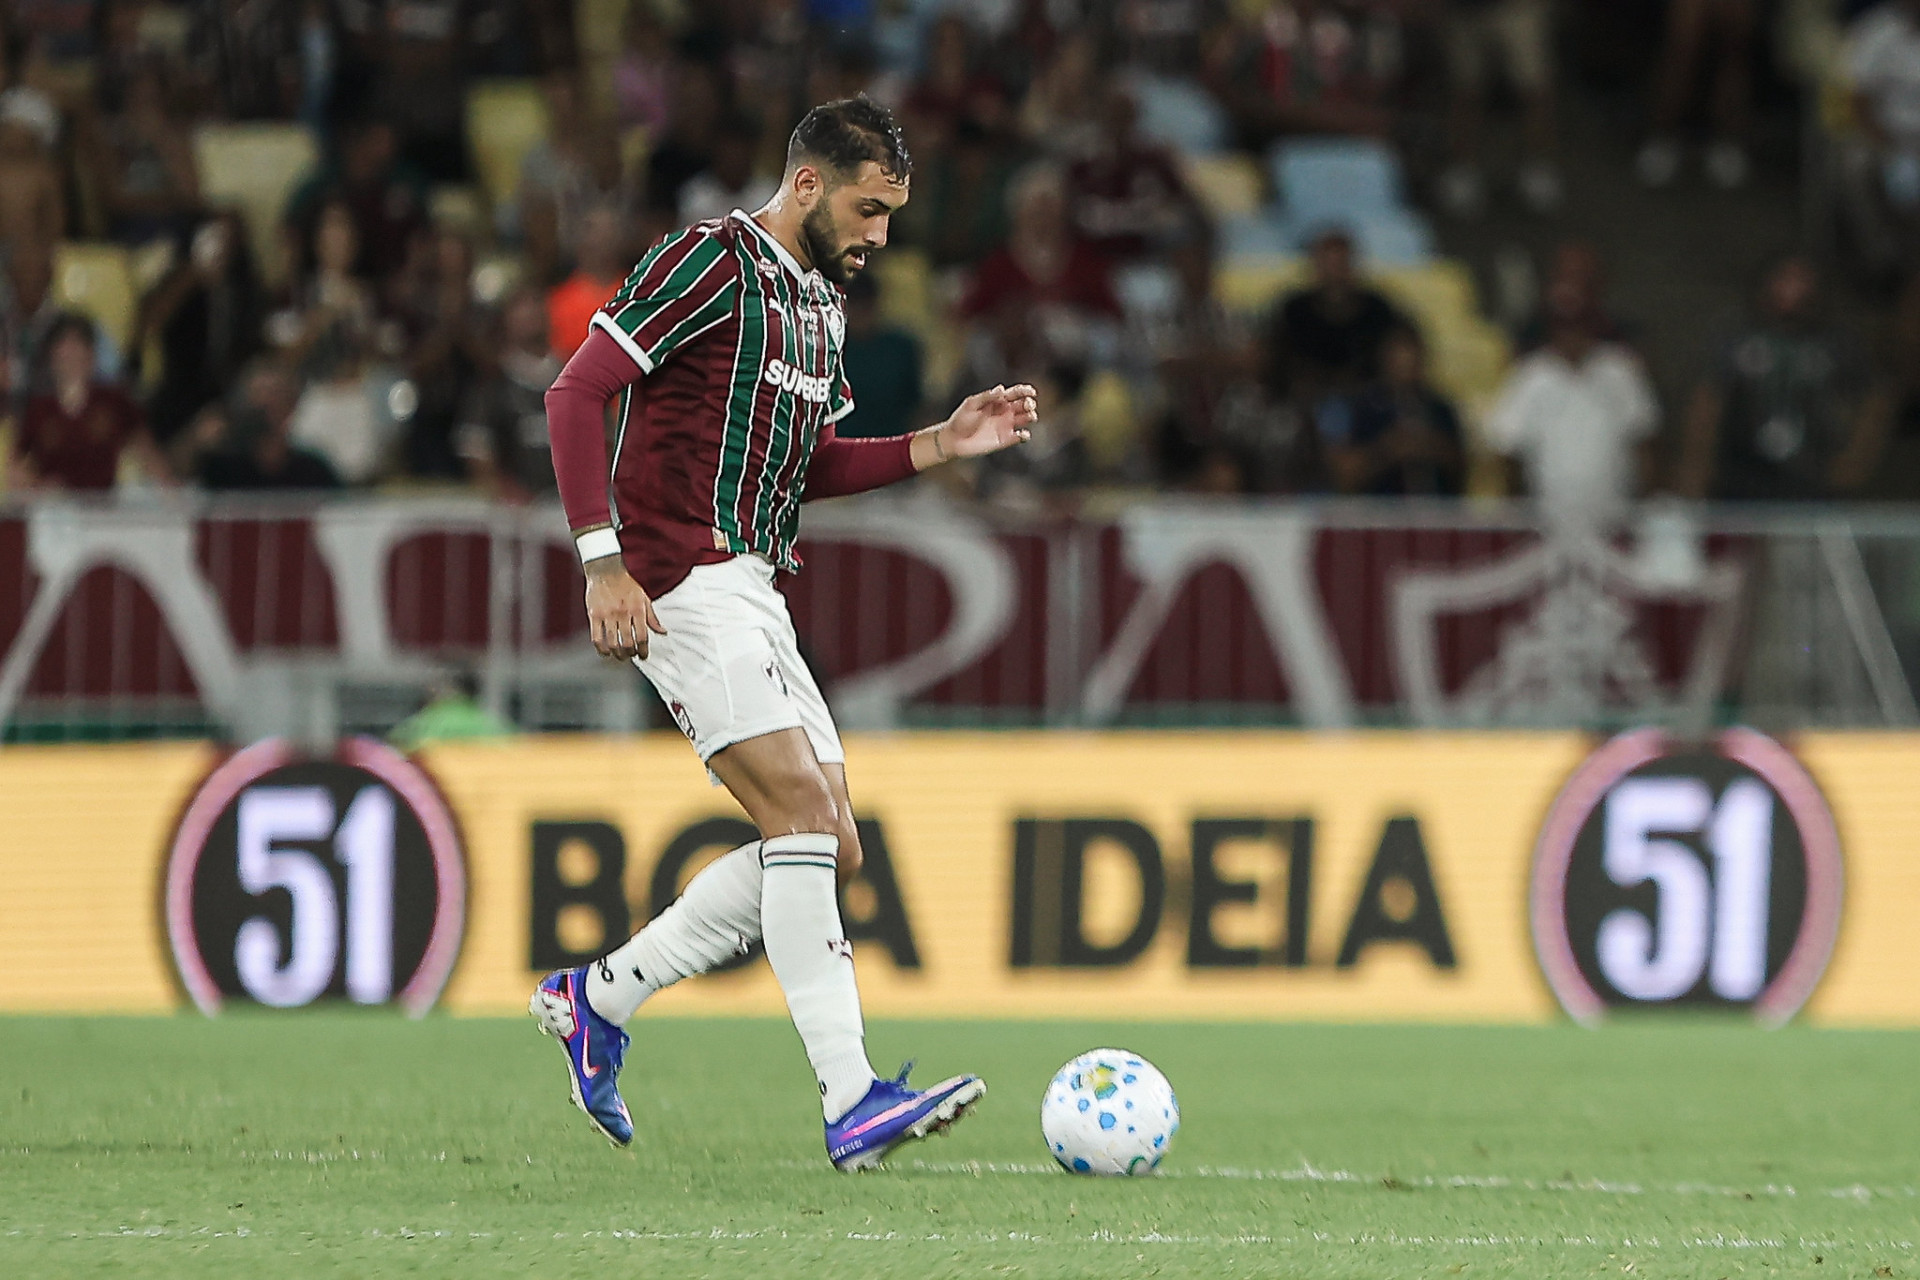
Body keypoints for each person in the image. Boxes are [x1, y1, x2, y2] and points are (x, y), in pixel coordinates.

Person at [532, 95, 1036, 1169]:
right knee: (803, 812)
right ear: (807, 184)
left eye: (892, 213)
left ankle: (599, 996)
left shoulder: (820, 305)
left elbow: (807, 465)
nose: (880, 234)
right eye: (868, 207)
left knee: (826, 841)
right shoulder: (708, 261)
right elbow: (576, 395)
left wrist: (940, 444)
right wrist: (602, 561)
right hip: (679, 578)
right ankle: (851, 1096)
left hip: (756, 581)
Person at [1674, 255, 1888, 501]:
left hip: (1814, 474)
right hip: (1740, 473)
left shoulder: (1838, 343)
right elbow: (1706, 402)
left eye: (1801, 279)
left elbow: (1874, 401)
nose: (1792, 289)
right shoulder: (1735, 336)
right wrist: (1695, 468)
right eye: (1785, 277)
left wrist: (1854, 460)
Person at [1483, 304, 1660, 539]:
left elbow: (1643, 440)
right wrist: (1517, 515)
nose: (1572, 334)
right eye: (1564, 325)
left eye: (1578, 324)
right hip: (1546, 522)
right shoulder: (1532, 374)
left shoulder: (1620, 369)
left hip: (1614, 519)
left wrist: (1644, 509)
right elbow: (1506, 448)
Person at [11, 313, 167, 491]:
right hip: (55, 508)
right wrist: (38, 485)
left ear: (91, 354)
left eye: (79, 345)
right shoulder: (39, 409)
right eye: (65, 348)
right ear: (51, 356)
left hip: (102, 506)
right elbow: (18, 467)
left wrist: (168, 489)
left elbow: (145, 448)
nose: (72, 355)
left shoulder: (113, 401)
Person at [1264, 228, 1409, 407]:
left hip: (1369, 403)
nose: (1334, 273)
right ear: (1315, 265)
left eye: (1340, 263)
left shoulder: (1378, 310)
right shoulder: (1294, 310)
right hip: (1303, 402)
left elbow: (1395, 359)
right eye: (1328, 264)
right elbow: (1279, 361)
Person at [1316, 326, 1466, 496]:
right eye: (1398, 359)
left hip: (1434, 512)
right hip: (1379, 512)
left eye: (1412, 358)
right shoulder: (1362, 408)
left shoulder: (1439, 408)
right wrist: (1389, 449)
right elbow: (1344, 473)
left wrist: (1430, 446)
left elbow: (1463, 467)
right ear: (1384, 359)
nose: (1406, 366)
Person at [456, 286, 562, 500]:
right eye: (520, 310)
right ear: (506, 322)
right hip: (516, 513)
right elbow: (476, 449)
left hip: (571, 509)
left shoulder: (577, 377)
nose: (529, 316)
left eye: (535, 307)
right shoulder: (492, 383)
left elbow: (604, 443)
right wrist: (504, 490)